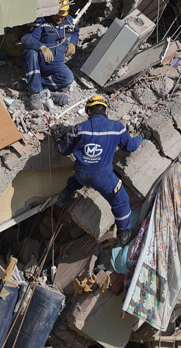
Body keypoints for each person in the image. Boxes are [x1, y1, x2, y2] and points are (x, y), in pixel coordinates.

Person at [56, 95, 141, 245]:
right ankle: (124, 233)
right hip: (103, 177)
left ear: (89, 112)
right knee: (121, 201)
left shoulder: (79, 128)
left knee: (78, 178)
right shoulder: (116, 128)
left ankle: (64, 195)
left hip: (81, 173)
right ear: (105, 111)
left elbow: (63, 150)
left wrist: (57, 139)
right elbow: (131, 146)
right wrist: (142, 136)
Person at [21, 0, 79, 110]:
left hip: (55, 63)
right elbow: (26, 38)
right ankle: (34, 93)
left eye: (62, 16)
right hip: (39, 62)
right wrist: (41, 47)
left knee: (68, 78)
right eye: (57, 16)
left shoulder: (69, 21)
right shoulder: (41, 21)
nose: (60, 19)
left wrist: (73, 42)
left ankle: (33, 85)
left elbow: (75, 32)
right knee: (30, 53)